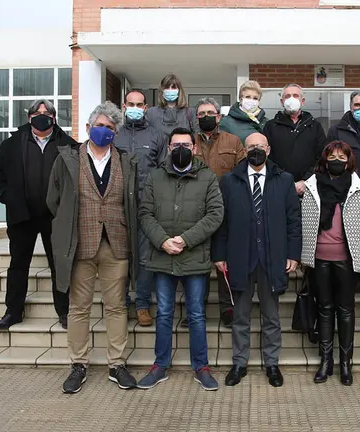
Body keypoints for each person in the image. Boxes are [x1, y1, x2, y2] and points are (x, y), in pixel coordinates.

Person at [47, 102, 139, 394]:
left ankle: (117, 364)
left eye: (110, 128)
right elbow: (54, 200)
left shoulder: (126, 161)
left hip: (116, 244)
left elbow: (132, 202)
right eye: (98, 126)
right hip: (79, 244)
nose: (103, 131)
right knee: (79, 308)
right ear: (87, 128)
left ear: (116, 133)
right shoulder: (68, 158)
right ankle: (78, 364)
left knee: (116, 307)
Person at [136, 127, 223, 391]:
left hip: (194, 256)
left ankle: (202, 367)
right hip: (162, 257)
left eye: (186, 144)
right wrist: (163, 240)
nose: (181, 149)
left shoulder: (207, 178)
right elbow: (145, 213)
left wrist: (185, 240)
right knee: (163, 313)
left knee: (196, 314)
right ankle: (160, 365)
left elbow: (215, 214)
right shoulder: (155, 176)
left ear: (194, 148)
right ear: (169, 148)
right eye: (176, 145)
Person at [214, 132, 302, 388]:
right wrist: (219, 254)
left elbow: (293, 221)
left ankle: (271, 363)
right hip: (240, 257)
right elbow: (222, 222)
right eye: (251, 146)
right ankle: (239, 363)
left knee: (272, 316)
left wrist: (293, 254)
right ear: (244, 150)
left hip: (272, 259)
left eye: (260, 146)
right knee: (240, 316)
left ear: (269, 149)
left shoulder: (283, 180)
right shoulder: (230, 181)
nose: (255, 150)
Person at [0, 99, 74, 330]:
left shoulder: (68, 145)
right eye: (37, 112)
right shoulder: (12, 143)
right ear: (29, 117)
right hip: (21, 215)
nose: (42, 115)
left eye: (47, 113)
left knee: (59, 265)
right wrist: (7, 196)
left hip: (54, 217)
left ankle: (64, 311)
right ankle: (13, 311)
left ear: (54, 118)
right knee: (18, 264)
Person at [300, 141, 360, 386]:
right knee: (324, 309)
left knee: (345, 310)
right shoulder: (311, 187)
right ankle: (326, 362)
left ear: (349, 160)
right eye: (332, 156)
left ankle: (346, 363)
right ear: (324, 160)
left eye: (341, 156)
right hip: (318, 258)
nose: (337, 160)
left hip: (348, 259)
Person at [189, 97, 246, 327]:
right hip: (194, 212)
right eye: (201, 114)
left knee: (225, 261)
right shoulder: (188, 142)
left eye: (210, 113)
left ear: (219, 116)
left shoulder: (233, 142)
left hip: (226, 210)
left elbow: (244, 173)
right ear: (196, 118)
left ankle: (227, 308)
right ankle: (196, 308)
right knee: (197, 261)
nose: (206, 117)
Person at [115, 89, 168, 327]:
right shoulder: (114, 135)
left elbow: (164, 171)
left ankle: (143, 305)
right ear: (124, 106)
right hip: (118, 205)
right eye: (130, 103)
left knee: (145, 257)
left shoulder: (158, 136)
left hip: (147, 205)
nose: (135, 107)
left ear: (146, 108)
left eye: (139, 104)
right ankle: (121, 302)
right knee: (120, 255)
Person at [264, 83, 327, 195]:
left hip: (309, 188)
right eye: (287, 96)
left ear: (302, 101)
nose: (291, 99)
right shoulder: (270, 126)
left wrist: (306, 181)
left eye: (295, 95)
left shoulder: (315, 126)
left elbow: (322, 157)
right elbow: (267, 157)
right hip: (278, 187)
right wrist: (283, 179)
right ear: (282, 102)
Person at [219, 80, 268, 144]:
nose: (251, 100)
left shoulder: (266, 122)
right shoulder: (226, 122)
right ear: (240, 99)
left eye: (255, 98)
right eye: (248, 97)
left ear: (259, 101)